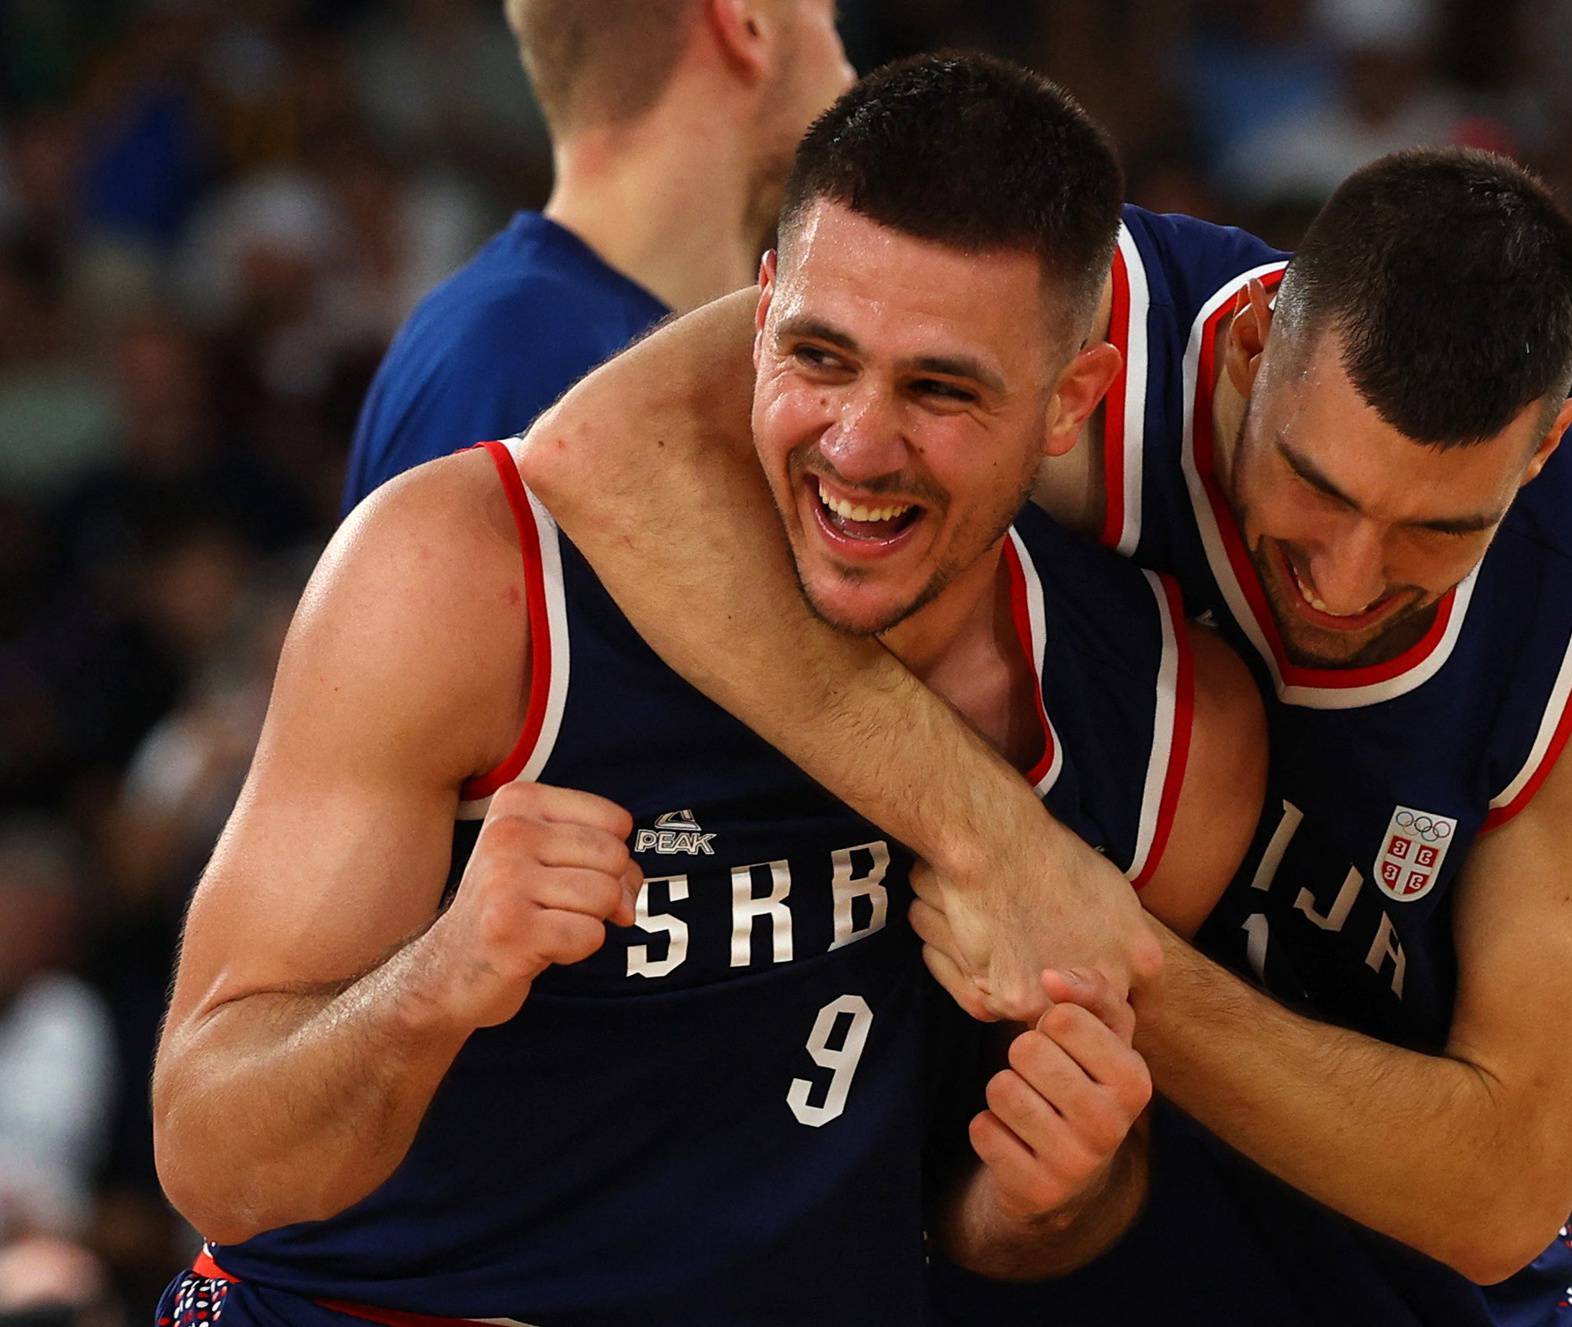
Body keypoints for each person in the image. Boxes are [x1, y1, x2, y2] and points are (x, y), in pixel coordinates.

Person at [150, 57, 1266, 1327]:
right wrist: (438, 980)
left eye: (940, 388)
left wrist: (1050, 1196)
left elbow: (990, 1216)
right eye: (819, 356)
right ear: (759, 314)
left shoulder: (1169, 723)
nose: (856, 444)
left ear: (1074, 397)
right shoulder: (468, 577)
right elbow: (217, 1164)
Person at [516, 141, 1572, 1321]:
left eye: (1435, 533)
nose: (1348, 580)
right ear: (1253, 348)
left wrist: (1094, 938)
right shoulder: (1084, 318)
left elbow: (1502, 1188)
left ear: (1543, 449)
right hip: (1031, 1220)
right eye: (1318, 486)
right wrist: (993, 838)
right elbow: (615, 449)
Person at [339, 0, 853, 511]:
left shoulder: (525, 342)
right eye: (827, 15)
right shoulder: (517, 358)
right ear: (746, 24)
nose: (849, 72)